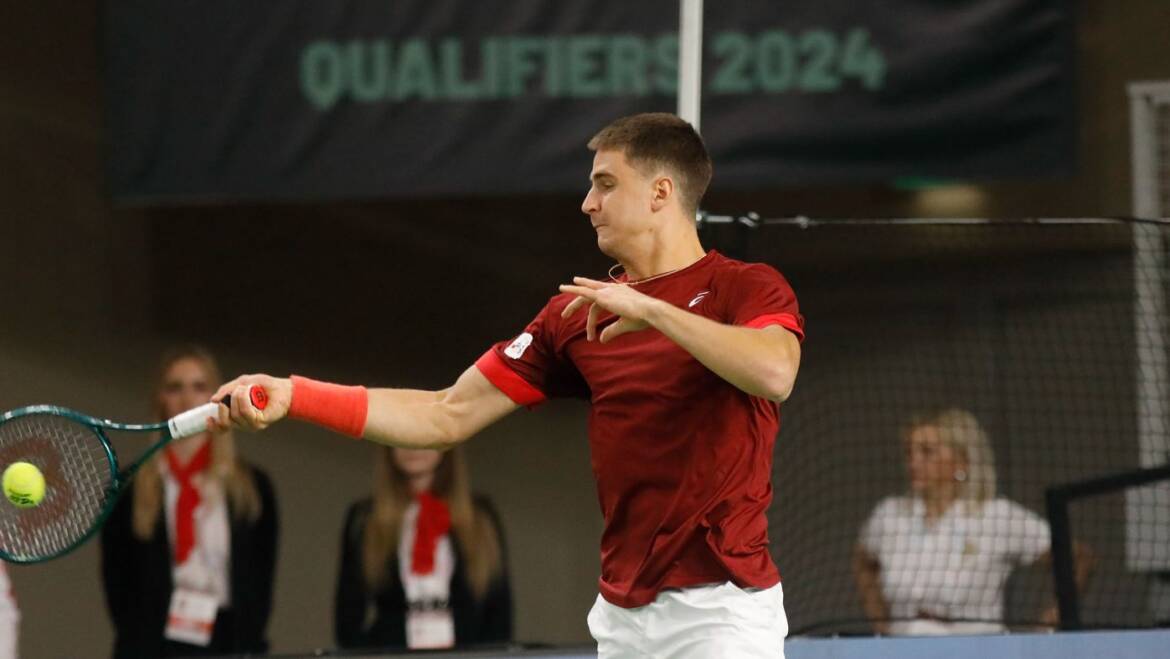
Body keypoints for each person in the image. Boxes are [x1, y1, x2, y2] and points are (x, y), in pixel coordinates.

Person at [214, 113, 804, 658]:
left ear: (660, 193)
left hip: (720, 611)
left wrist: (654, 310)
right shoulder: (574, 316)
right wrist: (295, 394)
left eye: (605, 184)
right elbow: (444, 414)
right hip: (622, 619)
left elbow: (775, 373)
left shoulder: (744, 287)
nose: (587, 203)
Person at [101, 346, 278, 658]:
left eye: (199, 386)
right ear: (160, 398)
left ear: (217, 395)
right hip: (153, 642)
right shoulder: (131, 487)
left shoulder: (250, 487)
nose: (187, 398)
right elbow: (118, 582)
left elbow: (260, 581)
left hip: (228, 639)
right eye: (175, 387)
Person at [852, 408, 1092, 636]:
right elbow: (863, 562)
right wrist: (881, 626)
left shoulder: (997, 516)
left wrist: (1050, 622)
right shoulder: (889, 515)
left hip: (976, 649)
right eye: (909, 452)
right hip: (900, 650)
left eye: (927, 452)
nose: (913, 462)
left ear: (962, 461)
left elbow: (1078, 557)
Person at [334, 446, 512, 650]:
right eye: (404, 437)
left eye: (425, 438)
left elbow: (499, 613)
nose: (414, 448)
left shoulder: (480, 516)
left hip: (466, 650)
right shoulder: (366, 518)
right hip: (392, 650)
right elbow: (348, 616)